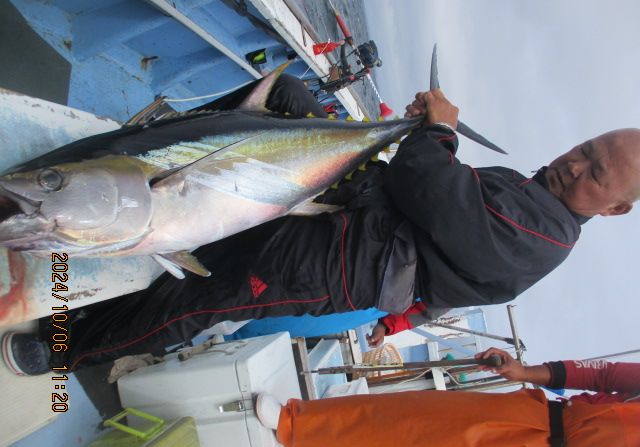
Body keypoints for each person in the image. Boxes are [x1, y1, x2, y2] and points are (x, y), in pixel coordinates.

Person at [4, 74, 640, 375]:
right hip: (349, 204)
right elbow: (427, 182)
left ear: (615, 208)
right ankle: (144, 148)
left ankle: (66, 347)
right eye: (584, 149)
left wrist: (438, 130)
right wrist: (416, 131)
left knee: (201, 296)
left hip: (339, 264)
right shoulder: (525, 190)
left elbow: (433, 187)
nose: (573, 164)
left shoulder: (545, 237)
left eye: (596, 173)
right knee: (284, 96)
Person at [254, 347, 640, 447]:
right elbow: (605, 375)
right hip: (541, 422)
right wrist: (524, 372)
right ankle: (294, 422)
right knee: (409, 421)